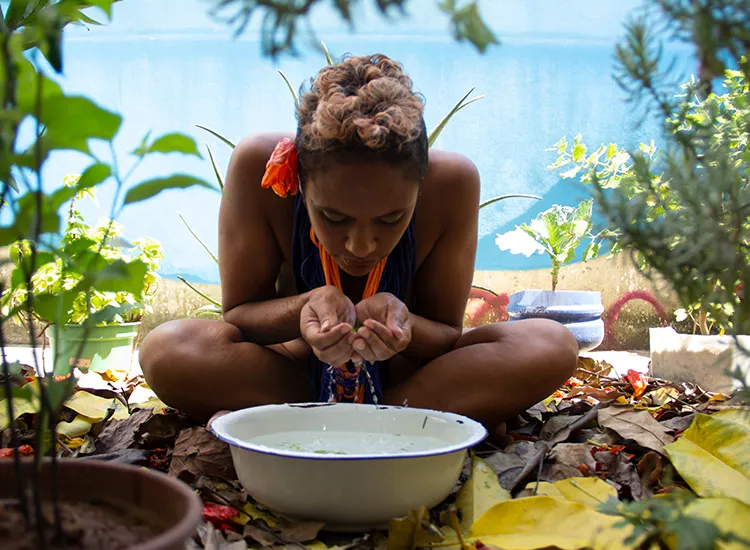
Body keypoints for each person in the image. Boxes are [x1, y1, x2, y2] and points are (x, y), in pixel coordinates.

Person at [140, 54, 578, 440]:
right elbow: (239, 315)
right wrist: (307, 307)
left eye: (391, 219)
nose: (360, 244)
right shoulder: (261, 168)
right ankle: (427, 420)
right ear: (300, 180)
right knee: (168, 351)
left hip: (406, 373)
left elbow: (445, 335)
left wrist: (402, 327)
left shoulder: (452, 183)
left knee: (550, 344)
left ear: (420, 187)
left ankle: (310, 421)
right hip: (295, 369)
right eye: (333, 217)